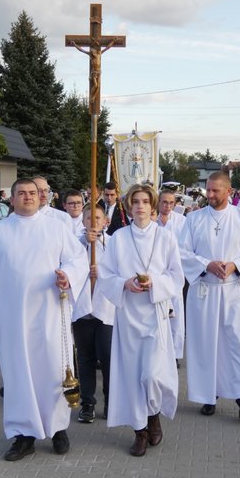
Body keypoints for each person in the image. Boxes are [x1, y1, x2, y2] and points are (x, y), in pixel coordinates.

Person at [0, 178, 89, 461]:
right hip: (12, 317)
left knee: (54, 370)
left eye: (32, 193)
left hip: (50, 314)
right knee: (18, 375)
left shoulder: (56, 228)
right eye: (22, 193)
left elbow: (78, 259)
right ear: (12, 199)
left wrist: (68, 275)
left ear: (41, 197)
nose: (28, 197)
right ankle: (23, 435)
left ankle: (58, 429)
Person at [98, 184, 184, 457]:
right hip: (128, 316)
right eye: (135, 202)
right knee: (132, 375)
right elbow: (105, 274)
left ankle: (154, 413)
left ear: (153, 205)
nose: (140, 206)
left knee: (153, 375)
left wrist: (154, 283)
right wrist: (124, 283)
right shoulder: (119, 238)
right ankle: (140, 430)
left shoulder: (166, 237)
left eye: (145, 202)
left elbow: (176, 276)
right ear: (128, 206)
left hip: (155, 314)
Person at [180, 172, 240, 420]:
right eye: (208, 190)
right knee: (206, 345)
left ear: (229, 191)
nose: (210, 195)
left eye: (215, 190)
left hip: (233, 291)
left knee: (238, 343)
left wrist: (235, 265)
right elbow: (181, 252)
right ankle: (208, 396)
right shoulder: (193, 219)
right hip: (204, 291)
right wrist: (206, 264)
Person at [71, 203, 115, 423]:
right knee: (85, 357)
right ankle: (87, 402)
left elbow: (119, 270)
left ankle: (110, 400)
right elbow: (67, 263)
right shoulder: (75, 243)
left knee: (107, 356)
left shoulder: (113, 243)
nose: (93, 222)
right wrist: (84, 243)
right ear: (83, 221)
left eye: (98, 218)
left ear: (106, 221)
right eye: (89, 218)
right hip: (82, 309)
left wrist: (102, 272)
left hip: (105, 309)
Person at [155, 190, 186, 363]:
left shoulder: (181, 221)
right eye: (164, 202)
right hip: (156, 272)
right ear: (158, 203)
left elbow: (185, 245)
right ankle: (159, 351)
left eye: (171, 203)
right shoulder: (152, 220)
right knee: (158, 313)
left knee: (176, 313)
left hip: (174, 272)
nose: (167, 206)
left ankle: (174, 353)